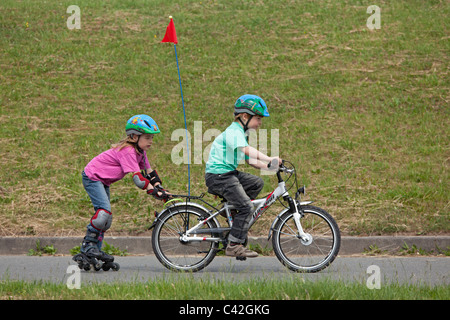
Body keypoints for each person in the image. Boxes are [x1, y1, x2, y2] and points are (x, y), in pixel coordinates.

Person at [79, 114, 171, 263]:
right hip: (92, 177)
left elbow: (150, 174)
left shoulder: (141, 153)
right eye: (147, 137)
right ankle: (87, 245)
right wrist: (153, 191)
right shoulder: (128, 151)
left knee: (106, 219)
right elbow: (139, 180)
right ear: (134, 137)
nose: (151, 141)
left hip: (103, 181)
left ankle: (95, 250)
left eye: (152, 138)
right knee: (103, 213)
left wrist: (160, 189)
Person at [205, 94, 282, 258]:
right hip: (219, 176)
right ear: (245, 116)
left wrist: (269, 166)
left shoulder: (241, 133)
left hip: (228, 173)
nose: (260, 123)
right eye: (258, 119)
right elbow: (247, 150)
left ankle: (233, 211)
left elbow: (250, 160)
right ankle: (233, 245)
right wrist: (270, 158)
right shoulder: (234, 131)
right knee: (247, 207)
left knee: (256, 183)